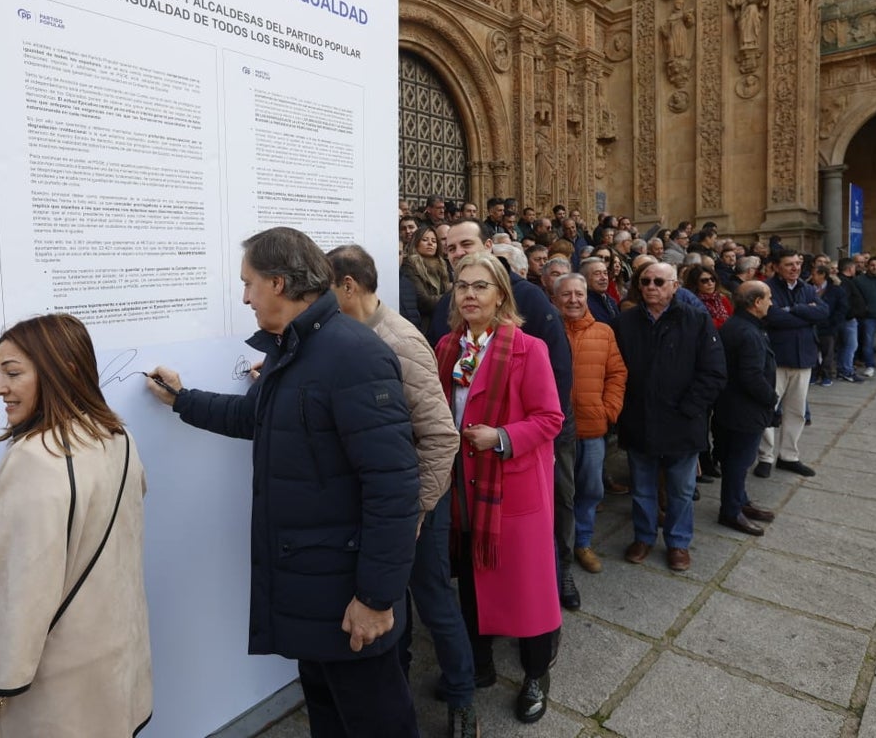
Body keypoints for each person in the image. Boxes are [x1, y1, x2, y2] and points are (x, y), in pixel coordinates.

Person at [146, 228, 421, 737]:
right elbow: (256, 417)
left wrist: (376, 598)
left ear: (278, 283)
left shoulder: (352, 354)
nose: (244, 296)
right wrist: (183, 400)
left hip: (348, 599)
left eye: (249, 283)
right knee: (329, 717)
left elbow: (394, 488)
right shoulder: (295, 349)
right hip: (314, 594)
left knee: (377, 722)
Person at [0, 314, 152, 736]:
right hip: (114, 669)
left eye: (12, 373)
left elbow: (12, 591)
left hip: (53, 694)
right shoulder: (117, 438)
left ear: (61, 372)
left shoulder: (35, 459)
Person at [324, 245, 477, 737]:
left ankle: (463, 701)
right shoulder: (349, 335)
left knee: (434, 603)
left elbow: (439, 436)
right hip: (388, 508)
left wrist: (418, 511)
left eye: (326, 289)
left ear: (349, 286)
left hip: (416, 507)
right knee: (397, 609)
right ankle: (399, 690)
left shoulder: (399, 340)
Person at [435, 252, 565, 724]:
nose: (469, 294)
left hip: (512, 490)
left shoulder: (529, 349)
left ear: (501, 295)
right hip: (465, 489)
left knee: (527, 590)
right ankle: (481, 665)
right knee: (471, 583)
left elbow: (550, 418)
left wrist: (502, 437)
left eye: (480, 286)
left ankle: (535, 673)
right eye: (462, 286)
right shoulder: (447, 347)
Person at [614, 263, 726, 572]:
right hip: (640, 420)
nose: (650, 286)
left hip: (682, 422)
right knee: (643, 488)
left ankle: (678, 543)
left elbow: (714, 372)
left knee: (680, 489)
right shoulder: (624, 323)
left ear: (674, 286)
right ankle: (644, 537)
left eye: (659, 281)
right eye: (645, 281)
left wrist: (689, 409)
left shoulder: (696, 320)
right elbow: (615, 371)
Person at [555, 273, 626, 574]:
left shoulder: (604, 331)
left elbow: (617, 374)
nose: (574, 300)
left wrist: (609, 410)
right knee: (559, 494)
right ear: (555, 298)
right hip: (556, 432)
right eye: (567, 294)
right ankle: (558, 547)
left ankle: (582, 542)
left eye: (579, 294)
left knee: (591, 490)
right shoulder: (546, 330)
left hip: (592, 429)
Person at [755, 250, 827, 479]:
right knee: (768, 409)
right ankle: (765, 457)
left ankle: (788, 456)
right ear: (776, 266)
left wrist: (795, 310)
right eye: (789, 264)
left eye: (797, 263)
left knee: (796, 411)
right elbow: (773, 317)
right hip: (776, 357)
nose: (795, 268)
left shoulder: (807, 288)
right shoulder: (767, 288)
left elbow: (823, 312)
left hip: (803, 356)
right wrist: (807, 314)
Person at [715, 283, 779, 536]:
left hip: (736, 408)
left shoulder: (742, 326)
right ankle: (731, 511)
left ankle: (739, 500)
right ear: (756, 302)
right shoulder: (746, 332)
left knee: (738, 460)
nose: (771, 303)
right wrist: (771, 398)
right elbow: (751, 376)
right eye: (769, 298)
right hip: (742, 410)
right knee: (737, 463)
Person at [402, 225, 452, 334]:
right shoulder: (409, 265)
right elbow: (424, 301)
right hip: (424, 325)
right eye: (425, 240)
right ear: (416, 243)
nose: (430, 244)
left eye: (434, 241)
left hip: (444, 320)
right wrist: (451, 295)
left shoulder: (442, 265)